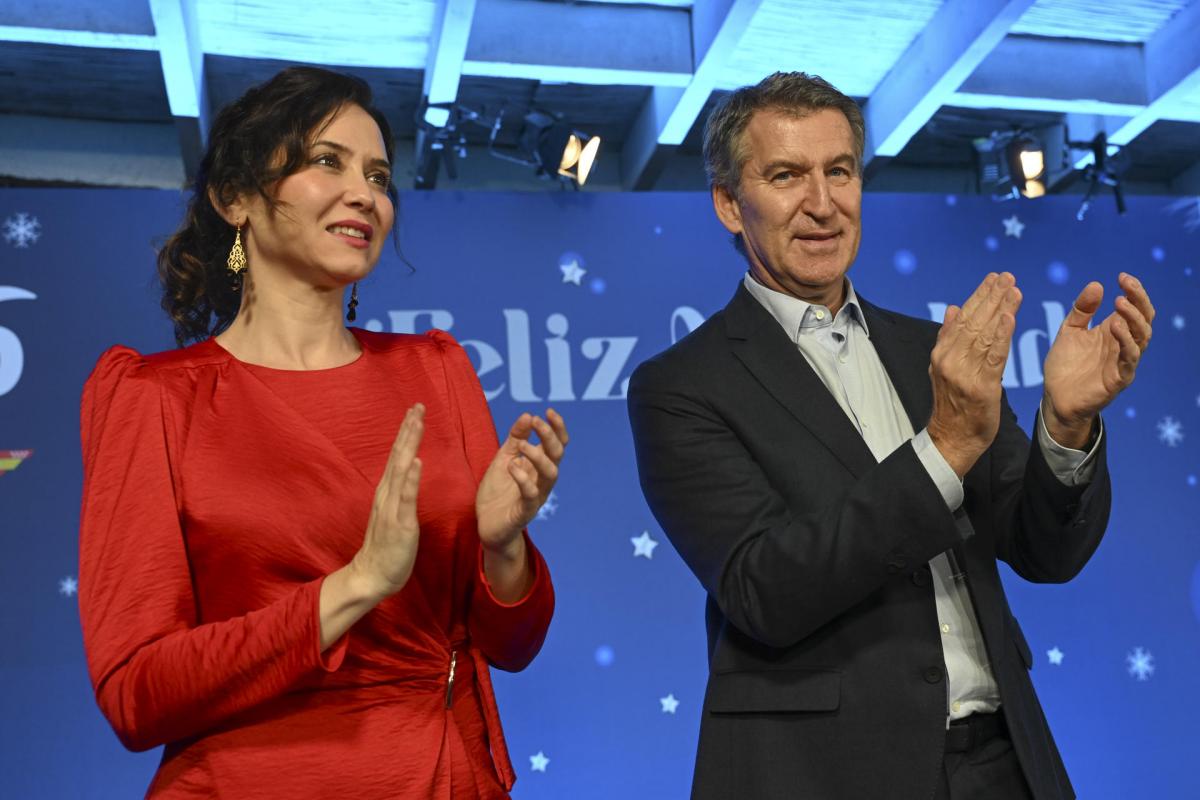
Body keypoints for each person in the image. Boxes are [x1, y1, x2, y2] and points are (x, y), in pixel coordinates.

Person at [627, 72, 1153, 800]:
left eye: (838, 171)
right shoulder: (682, 386)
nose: (822, 203)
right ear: (728, 203)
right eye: (786, 175)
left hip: (1003, 762)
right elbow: (765, 589)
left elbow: (1044, 552)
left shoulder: (927, 351)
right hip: (825, 773)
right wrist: (941, 450)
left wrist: (1066, 425)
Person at [78, 66, 567, 799]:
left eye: (378, 174)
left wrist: (503, 551)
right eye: (326, 162)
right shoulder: (153, 398)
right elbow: (136, 694)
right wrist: (356, 586)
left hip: (443, 779)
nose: (364, 193)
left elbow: (511, 645)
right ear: (234, 197)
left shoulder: (437, 370)